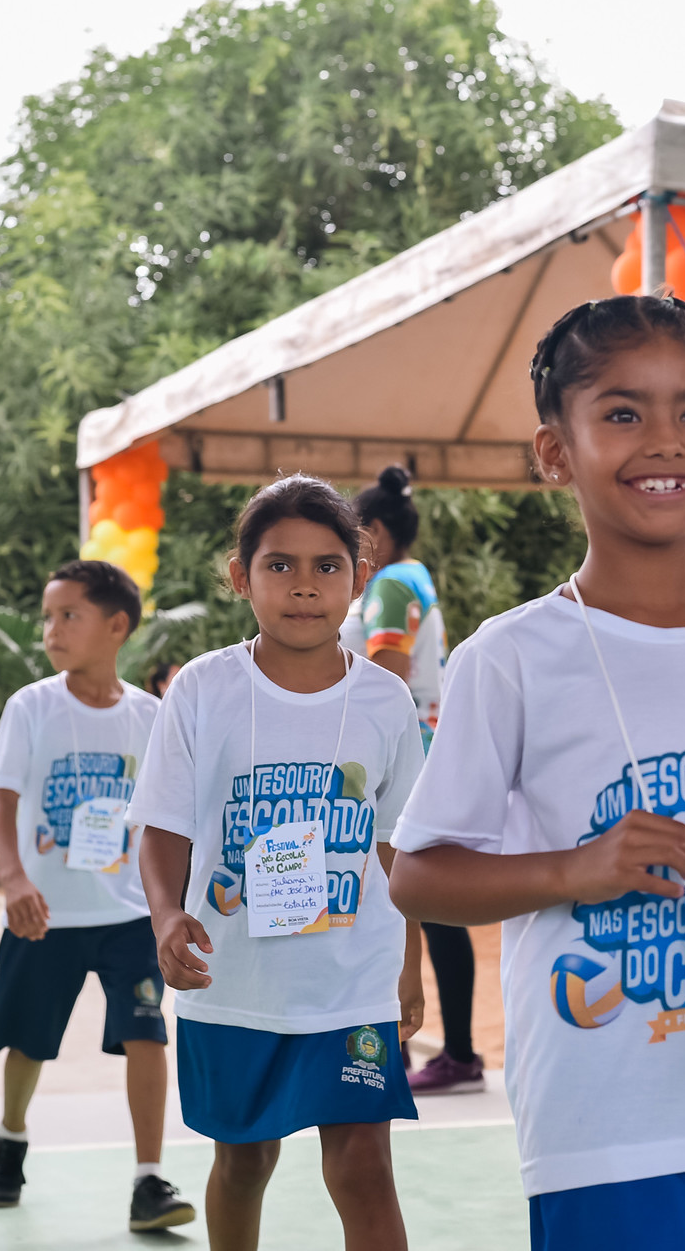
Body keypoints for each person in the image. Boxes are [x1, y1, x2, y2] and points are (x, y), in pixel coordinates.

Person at [388, 294, 685, 1251]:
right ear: (556, 453)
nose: (665, 441)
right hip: (602, 1130)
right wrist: (575, 868)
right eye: (622, 413)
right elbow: (418, 874)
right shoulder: (513, 656)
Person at [129, 475, 425, 1251]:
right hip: (236, 983)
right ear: (241, 576)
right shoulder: (201, 689)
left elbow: (398, 844)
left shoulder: (386, 702)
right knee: (245, 1157)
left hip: (351, 982)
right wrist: (166, 915)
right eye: (279, 565)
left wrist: (411, 963)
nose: (305, 586)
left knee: (363, 1164)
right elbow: (160, 823)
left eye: (328, 566)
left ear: (361, 576)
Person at [0, 560, 194, 1232]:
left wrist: (173, 903)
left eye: (68, 615)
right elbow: (1, 800)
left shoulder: (151, 715)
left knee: (146, 1033)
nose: (51, 630)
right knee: (30, 1040)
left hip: (130, 913)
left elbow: (169, 814)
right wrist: (14, 878)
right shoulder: (32, 705)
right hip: (46, 909)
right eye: (48, 616)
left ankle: (148, 1179)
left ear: (116, 625)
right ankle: (12, 1133)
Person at [353, 465, 480, 1095]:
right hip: (422, 750)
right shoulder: (413, 578)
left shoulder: (392, 584)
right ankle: (456, 1052)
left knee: (398, 900)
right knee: (431, 905)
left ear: (374, 532)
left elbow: (387, 672)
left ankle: (407, 1055)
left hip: (396, 760)